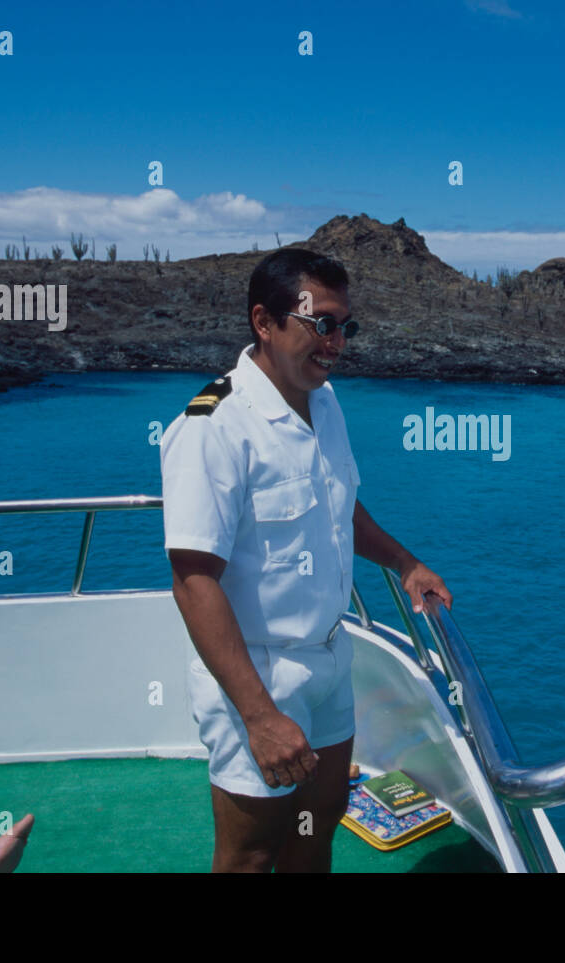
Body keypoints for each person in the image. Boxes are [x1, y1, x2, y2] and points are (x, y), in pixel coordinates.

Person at [160, 248, 452, 873]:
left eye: (346, 325)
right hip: (261, 675)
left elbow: (340, 506)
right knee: (251, 853)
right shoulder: (213, 424)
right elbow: (193, 579)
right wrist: (260, 716)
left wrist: (404, 563)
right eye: (322, 322)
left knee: (315, 833)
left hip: (329, 655)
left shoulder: (324, 402)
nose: (336, 341)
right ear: (264, 322)